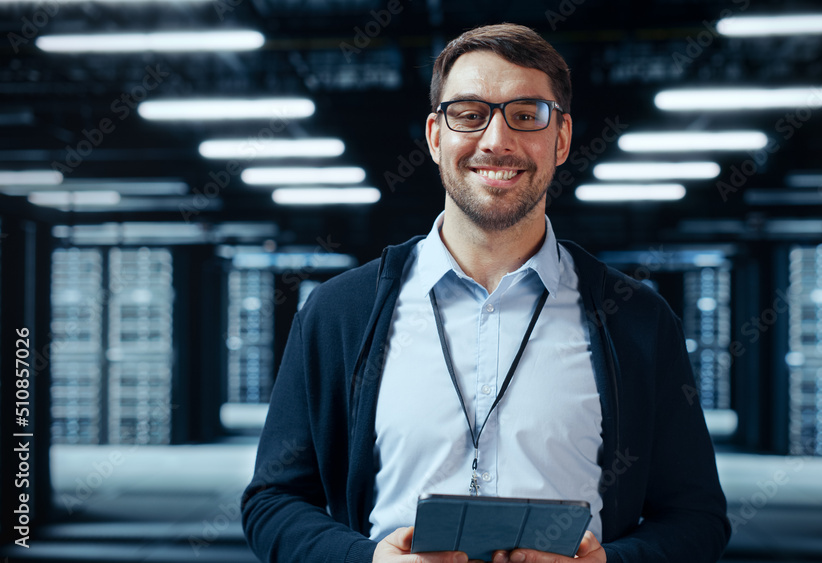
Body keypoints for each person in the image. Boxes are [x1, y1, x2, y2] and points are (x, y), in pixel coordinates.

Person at [241, 23, 730, 563]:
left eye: (526, 115)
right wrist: (369, 561)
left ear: (561, 138)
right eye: (470, 115)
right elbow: (274, 501)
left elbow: (697, 518)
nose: (497, 141)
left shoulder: (637, 321)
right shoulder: (339, 315)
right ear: (435, 136)